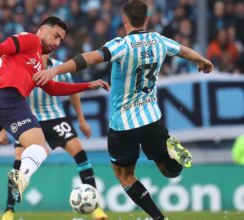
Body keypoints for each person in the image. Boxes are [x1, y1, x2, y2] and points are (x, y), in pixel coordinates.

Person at [33, 1, 214, 219]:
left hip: (123, 124)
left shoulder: (121, 44)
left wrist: (56, 70)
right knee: (169, 171)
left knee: (124, 175)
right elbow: (183, 50)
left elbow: (88, 59)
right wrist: (203, 60)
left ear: (124, 20)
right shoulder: (158, 40)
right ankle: (173, 157)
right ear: (146, 19)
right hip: (151, 119)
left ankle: (158, 217)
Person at [0, 16, 109, 220]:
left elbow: (53, 88)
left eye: (61, 40)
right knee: (38, 147)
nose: (57, 43)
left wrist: (86, 85)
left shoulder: (36, 61)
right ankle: (20, 178)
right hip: (8, 97)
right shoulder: (30, 40)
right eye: (55, 36)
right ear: (42, 29)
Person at [0, 54, 107, 220]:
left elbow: (73, 93)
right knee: (18, 161)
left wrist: (81, 120)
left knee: (81, 154)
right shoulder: (23, 67)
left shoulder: (59, 67)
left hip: (56, 118)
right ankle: (9, 210)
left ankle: (96, 208)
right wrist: (2, 128)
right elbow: (6, 96)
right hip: (28, 120)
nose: (43, 53)